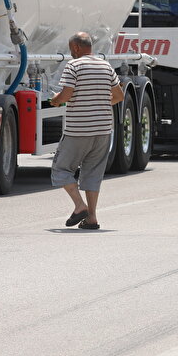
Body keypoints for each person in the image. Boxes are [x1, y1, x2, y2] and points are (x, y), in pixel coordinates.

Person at [49, 32, 123, 229]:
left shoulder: (74, 66)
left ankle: (80, 206)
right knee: (93, 173)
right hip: (103, 129)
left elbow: (66, 95)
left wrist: (56, 100)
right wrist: (99, 104)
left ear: (76, 48)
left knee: (61, 169)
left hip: (79, 129)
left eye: (70, 49)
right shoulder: (106, 66)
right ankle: (92, 218)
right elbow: (119, 95)